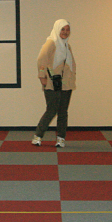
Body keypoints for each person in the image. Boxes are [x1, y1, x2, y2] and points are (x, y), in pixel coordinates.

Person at [32, 19, 76, 147]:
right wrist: (42, 77)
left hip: (66, 84)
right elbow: (41, 60)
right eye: (62, 29)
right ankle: (38, 136)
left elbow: (70, 65)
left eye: (67, 30)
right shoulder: (51, 43)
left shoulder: (67, 45)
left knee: (63, 112)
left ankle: (61, 138)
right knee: (51, 110)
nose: (65, 32)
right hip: (52, 83)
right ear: (57, 29)